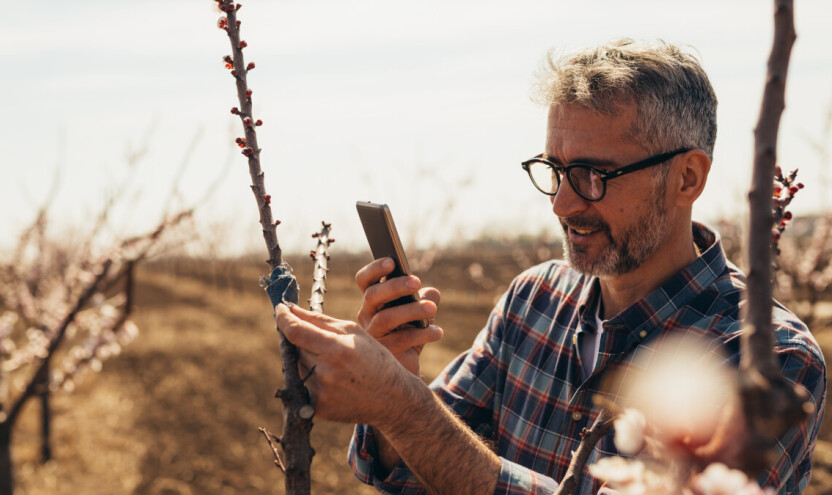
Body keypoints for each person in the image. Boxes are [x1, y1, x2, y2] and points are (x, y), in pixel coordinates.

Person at [274, 39, 826, 494]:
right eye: (554, 170)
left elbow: (431, 434)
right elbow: (414, 473)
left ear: (687, 178)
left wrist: (406, 409)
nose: (562, 203)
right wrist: (396, 387)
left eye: (593, 175)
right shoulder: (533, 298)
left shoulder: (768, 360)